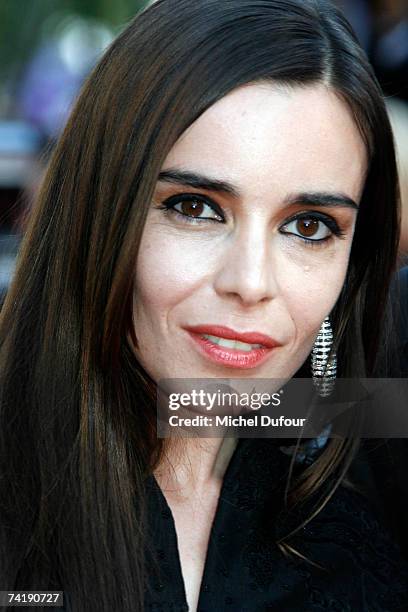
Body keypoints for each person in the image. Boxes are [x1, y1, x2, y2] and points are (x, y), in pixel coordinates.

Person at [0, 0, 407, 610]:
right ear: (98, 209)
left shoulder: (366, 516)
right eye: (195, 208)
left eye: (309, 226)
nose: (250, 281)